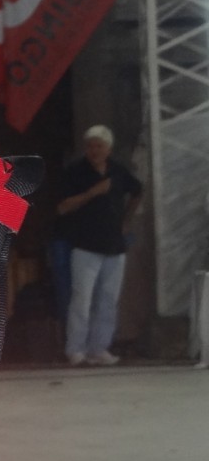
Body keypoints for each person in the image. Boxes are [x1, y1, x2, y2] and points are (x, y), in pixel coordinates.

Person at [56, 125, 142, 366]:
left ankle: (99, 347)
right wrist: (93, 193)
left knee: (108, 300)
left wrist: (127, 221)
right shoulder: (76, 172)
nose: (94, 151)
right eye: (91, 146)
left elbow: (137, 191)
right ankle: (76, 349)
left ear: (109, 149)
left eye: (99, 146)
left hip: (114, 245)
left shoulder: (118, 170)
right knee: (82, 300)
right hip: (85, 245)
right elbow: (62, 207)